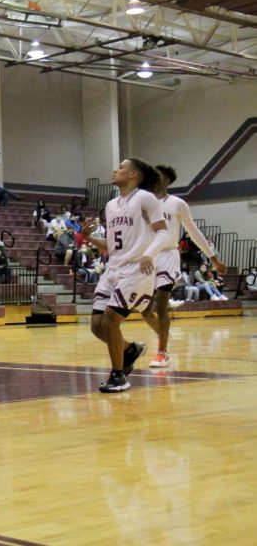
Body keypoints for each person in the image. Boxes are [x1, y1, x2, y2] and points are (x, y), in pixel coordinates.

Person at [81, 158, 175, 393]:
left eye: (121, 167)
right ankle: (130, 350)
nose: (115, 170)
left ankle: (118, 376)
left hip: (137, 269)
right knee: (96, 326)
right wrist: (89, 238)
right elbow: (113, 245)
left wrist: (149, 254)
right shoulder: (111, 205)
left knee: (111, 319)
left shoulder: (145, 198)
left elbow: (163, 234)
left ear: (134, 174)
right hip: (113, 268)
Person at [140, 165, 227, 368]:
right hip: (148, 256)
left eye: (159, 176)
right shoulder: (143, 203)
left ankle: (162, 351)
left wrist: (213, 259)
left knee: (161, 304)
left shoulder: (177, 203)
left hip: (169, 254)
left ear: (167, 181)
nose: (154, 178)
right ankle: (164, 337)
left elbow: (194, 232)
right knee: (144, 310)